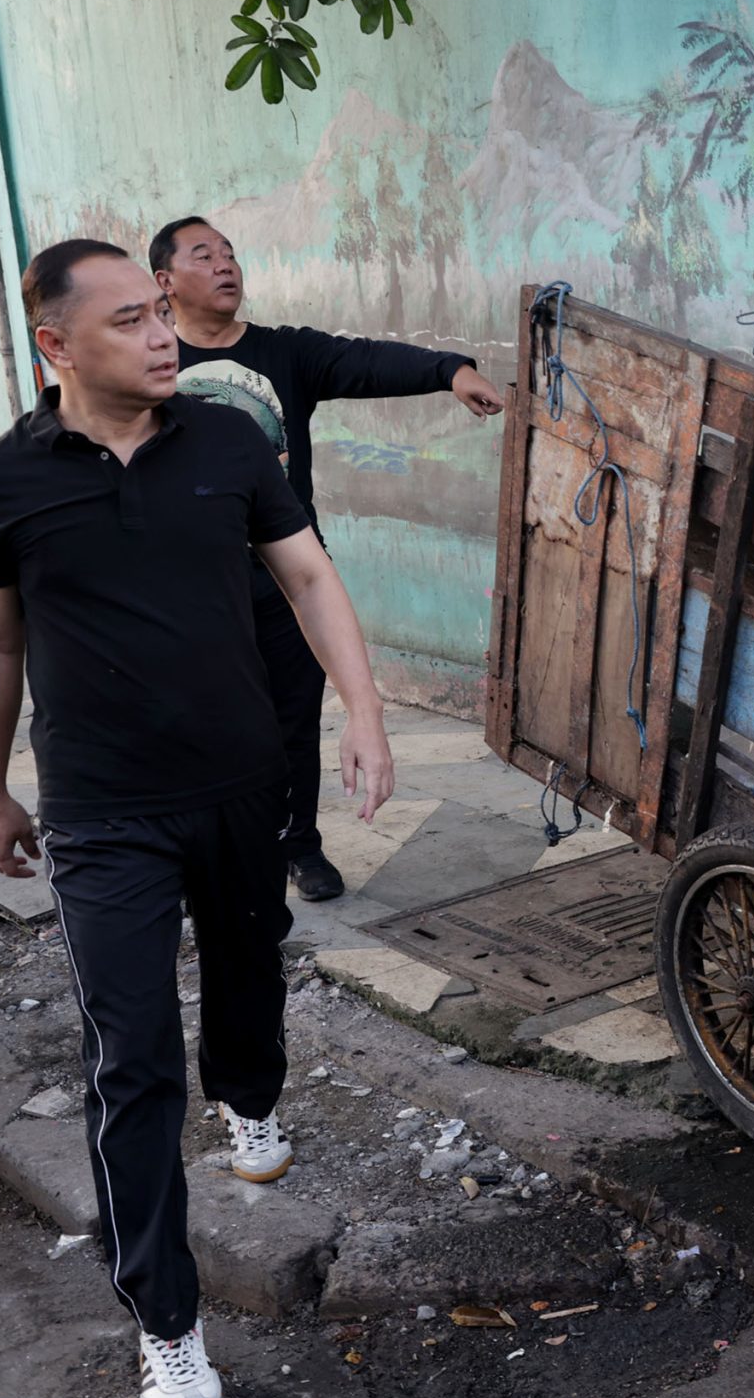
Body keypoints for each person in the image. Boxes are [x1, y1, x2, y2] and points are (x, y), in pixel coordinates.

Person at [0, 239, 396, 1398]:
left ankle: (249, 1093)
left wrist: (361, 706)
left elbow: (306, 577)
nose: (163, 336)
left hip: (241, 784)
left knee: (250, 980)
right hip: (101, 815)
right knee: (131, 1058)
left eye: (163, 314)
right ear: (56, 344)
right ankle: (165, 1323)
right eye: (132, 320)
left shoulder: (228, 440)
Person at [148, 216, 503, 903]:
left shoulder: (285, 354)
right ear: (166, 281)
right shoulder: (155, 367)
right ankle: (210, 846)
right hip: (193, 587)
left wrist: (449, 370)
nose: (226, 264)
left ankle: (298, 843)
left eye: (230, 252)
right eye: (204, 255)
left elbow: (366, 359)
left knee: (293, 718)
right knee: (204, 723)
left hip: (286, 576)